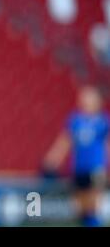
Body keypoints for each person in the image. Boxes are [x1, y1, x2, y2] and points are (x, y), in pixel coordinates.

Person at [43, 85, 109, 227]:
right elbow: (65, 141)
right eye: (84, 98)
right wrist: (53, 159)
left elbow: (107, 144)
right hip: (79, 167)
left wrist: (105, 166)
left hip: (95, 167)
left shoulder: (103, 122)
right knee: (80, 207)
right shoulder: (75, 121)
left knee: (92, 205)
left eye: (90, 98)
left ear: (97, 101)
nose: (86, 101)